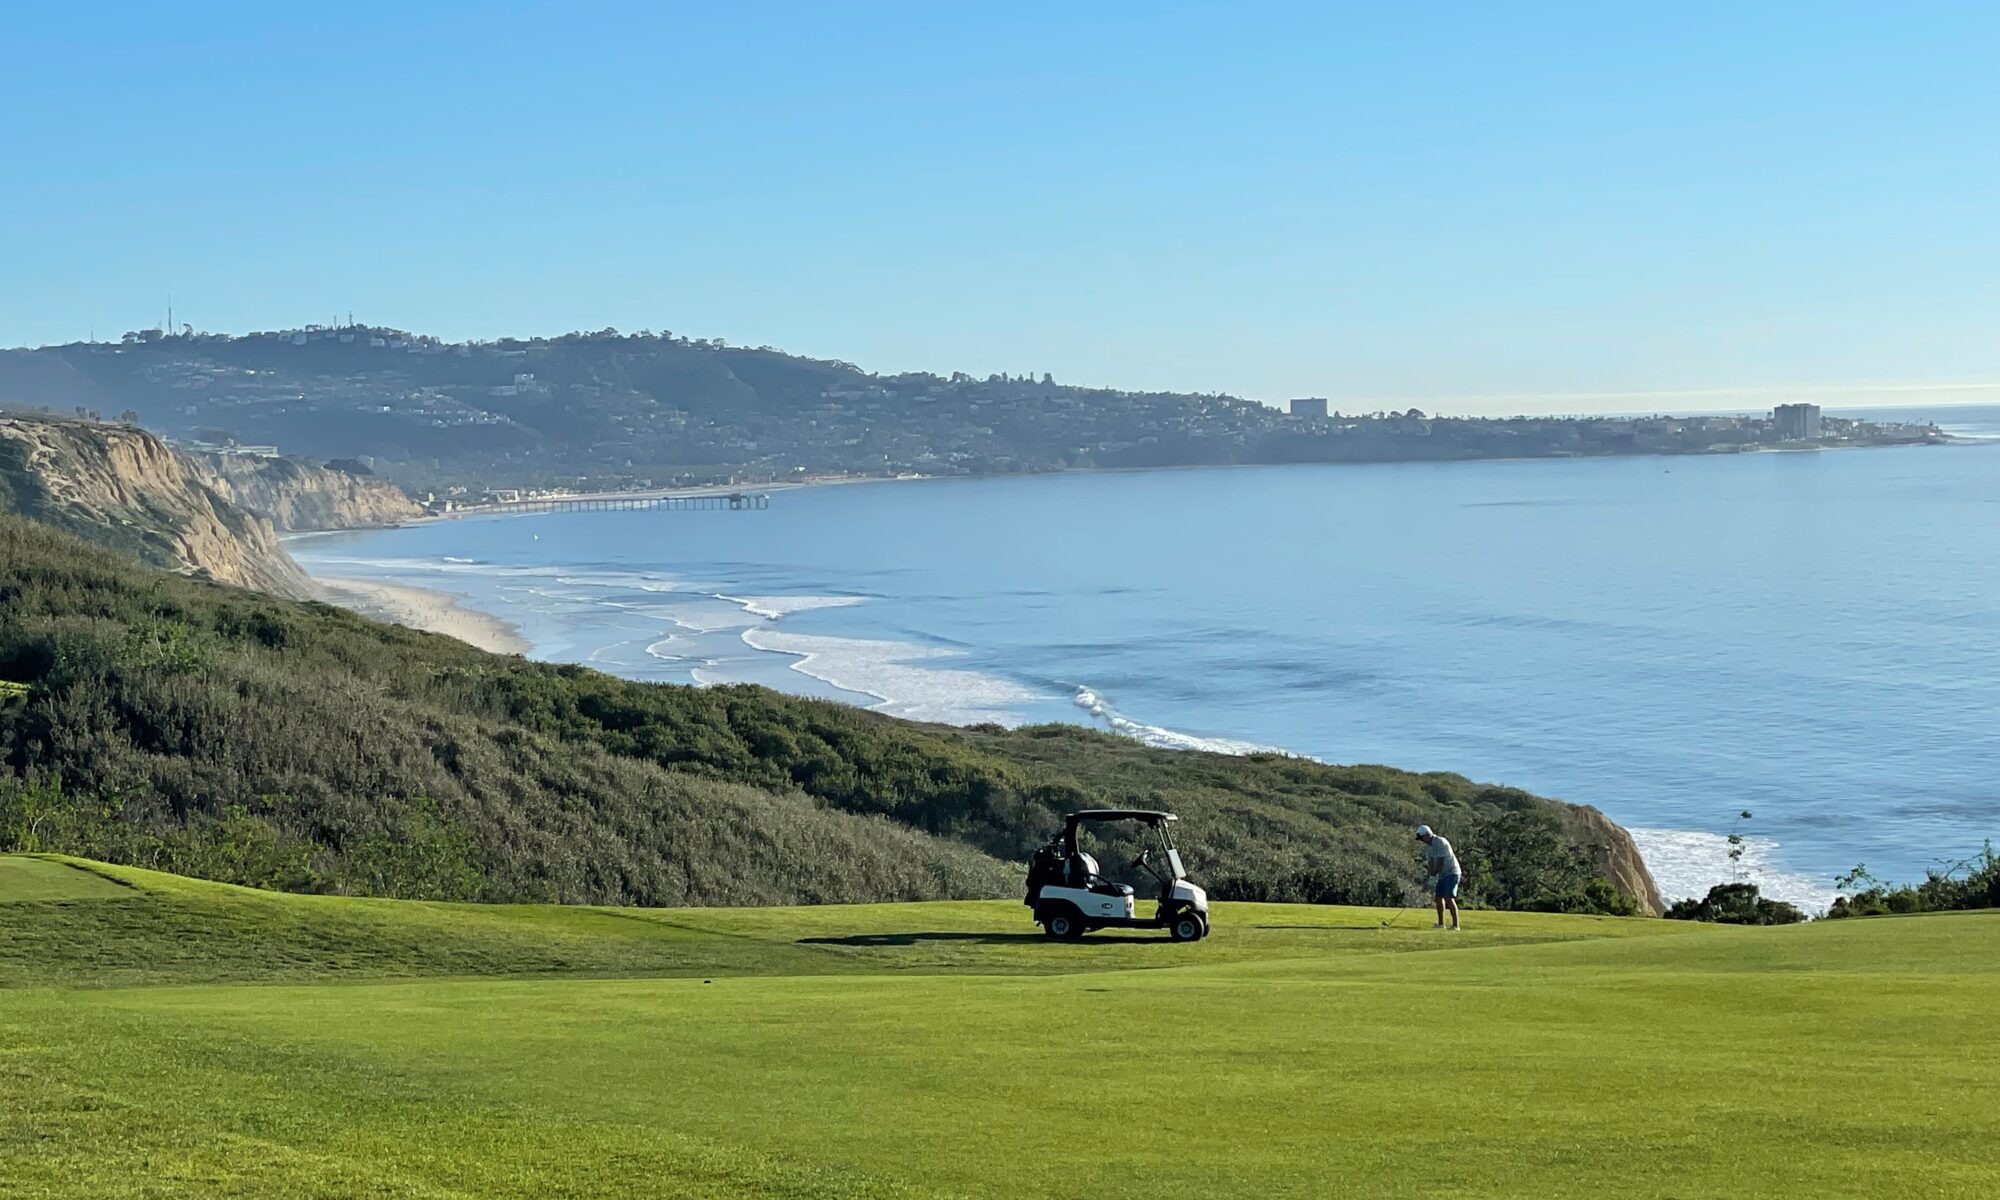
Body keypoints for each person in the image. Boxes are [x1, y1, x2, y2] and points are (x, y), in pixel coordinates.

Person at [1415, 824, 1461, 930]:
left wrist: (1433, 876)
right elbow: (1431, 864)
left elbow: (1440, 863)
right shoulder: (1429, 848)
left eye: (1422, 838)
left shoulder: (1440, 842)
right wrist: (1429, 876)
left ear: (1427, 835)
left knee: (1448, 898)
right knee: (1438, 898)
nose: (1422, 840)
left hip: (1452, 872)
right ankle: (1441, 924)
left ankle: (1456, 926)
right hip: (1442, 874)